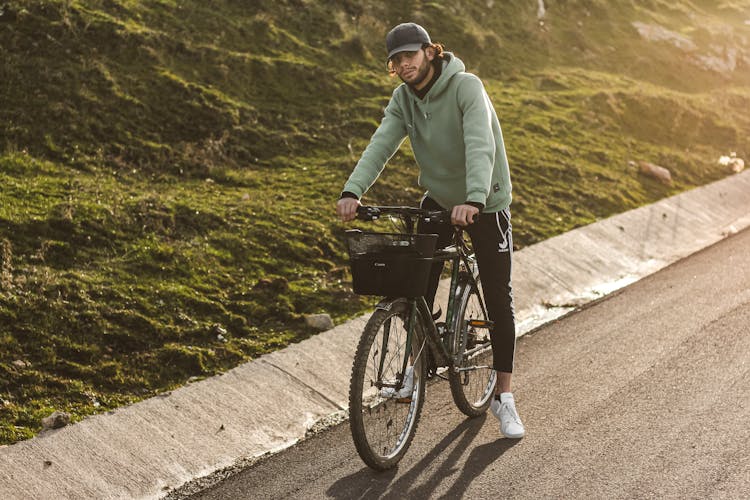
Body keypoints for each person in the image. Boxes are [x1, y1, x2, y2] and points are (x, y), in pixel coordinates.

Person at [336, 22, 524, 439]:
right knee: (412, 281)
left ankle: (504, 398)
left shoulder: (466, 87)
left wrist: (474, 199)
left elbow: (480, 144)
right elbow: (381, 143)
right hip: (440, 200)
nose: (404, 65)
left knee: (497, 296)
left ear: (429, 52)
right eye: (396, 59)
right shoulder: (403, 99)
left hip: (486, 202)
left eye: (410, 55)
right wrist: (353, 190)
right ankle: (417, 362)